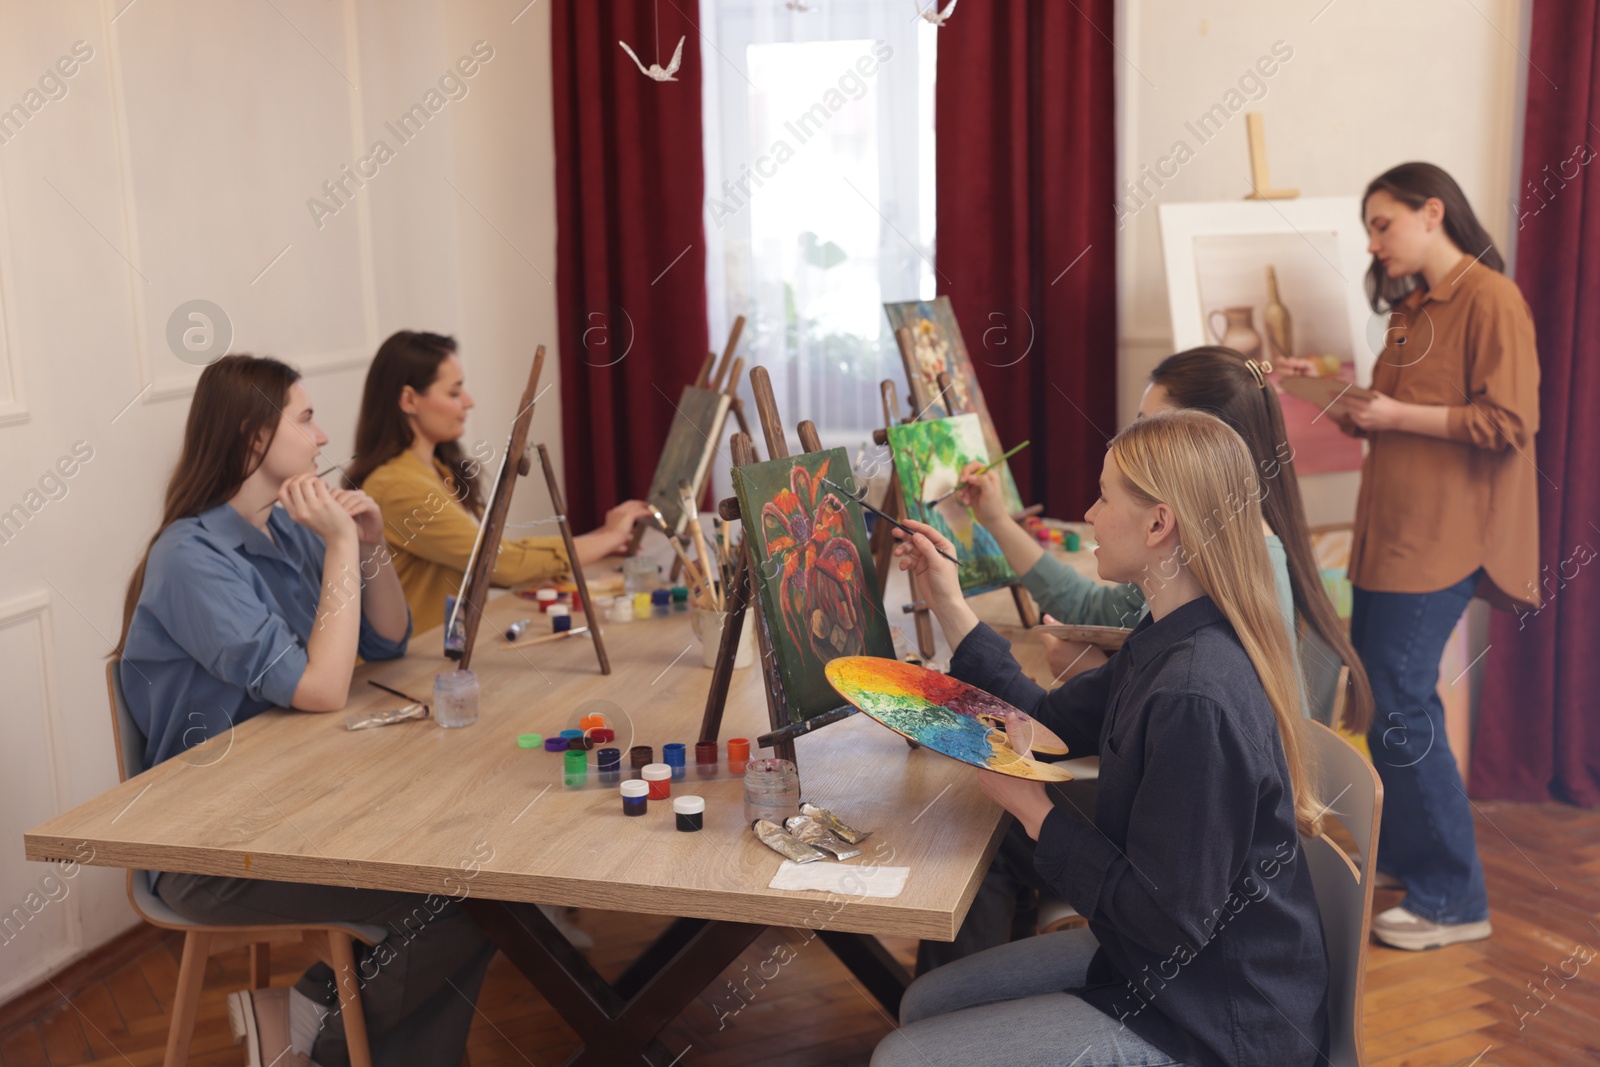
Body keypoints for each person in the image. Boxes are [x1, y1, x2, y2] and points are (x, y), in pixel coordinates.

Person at [873, 410, 1329, 1067]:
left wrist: (1035, 809)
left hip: (1213, 1021)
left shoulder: (1195, 694)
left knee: (903, 1055)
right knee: (922, 1005)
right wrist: (947, 597)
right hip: (1151, 965)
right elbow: (1044, 714)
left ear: (1158, 523)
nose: (1087, 512)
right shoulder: (1166, 635)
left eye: (1104, 494)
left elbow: (1168, 922)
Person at [113, 355, 493, 1067]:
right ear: (255, 439)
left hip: (297, 803)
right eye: (307, 419)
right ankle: (323, 1040)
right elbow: (321, 688)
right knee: (450, 904)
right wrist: (343, 543)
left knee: (481, 871)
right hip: (212, 845)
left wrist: (369, 544)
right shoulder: (190, 559)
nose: (322, 439)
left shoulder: (283, 530)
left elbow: (381, 640)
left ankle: (305, 1013)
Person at [1315, 162, 1540, 951]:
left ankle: (1455, 897)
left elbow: (1508, 421)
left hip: (1444, 539)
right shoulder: (1413, 310)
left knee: (1406, 703)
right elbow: (1393, 420)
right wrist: (1331, 396)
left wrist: (1400, 412)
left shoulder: (1491, 299)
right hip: (1391, 534)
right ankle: (1414, 858)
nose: (1373, 243)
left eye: (1383, 224)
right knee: (1380, 702)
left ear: (1432, 211)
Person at [962, 348, 1371, 734]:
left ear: (1202, 443)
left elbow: (1208, 718)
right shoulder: (1197, 550)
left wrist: (1093, 678)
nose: (1133, 438)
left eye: (1149, 425)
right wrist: (996, 520)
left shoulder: (1223, 578)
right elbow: (1097, 610)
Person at [348, 330, 651, 636]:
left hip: (442, 646)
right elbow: (500, 563)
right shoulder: (400, 488)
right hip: (410, 662)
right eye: (454, 393)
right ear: (409, 399)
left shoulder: (437, 471)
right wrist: (607, 539)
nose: (468, 402)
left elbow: (496, 552)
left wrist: (603, 537)